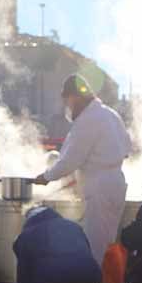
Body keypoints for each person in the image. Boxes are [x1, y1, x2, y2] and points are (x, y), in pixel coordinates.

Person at [33, 74, 130, 271]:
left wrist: (46, 177)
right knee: (109, 244)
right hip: (116, 182)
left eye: (67, 100)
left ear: (74, 97)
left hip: (99, 187)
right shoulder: (110, 114)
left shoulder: (88, 119)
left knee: (96, 248)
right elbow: (126, 148)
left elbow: (70, 160)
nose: (67, 106)